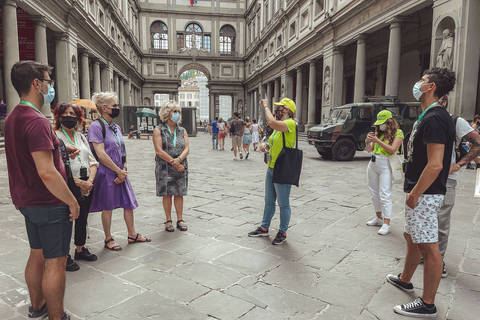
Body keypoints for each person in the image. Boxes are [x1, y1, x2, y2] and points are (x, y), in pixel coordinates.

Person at [5, 60, 80, 320]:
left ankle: (37, 306)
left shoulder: (13, 116)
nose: (51, 88)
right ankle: (57, 317)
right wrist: (71, 200)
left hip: (26, 200)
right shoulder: (37, 120)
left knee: (37, 254)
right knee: (57, 261)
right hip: (49, 203)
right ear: (36, 84)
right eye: (48, 82)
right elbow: (46, 172)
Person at [385, 67, 456, 318]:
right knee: (411, 235)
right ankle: (405, 279)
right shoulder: (428, 115)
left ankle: (427, 303)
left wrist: (415, 193)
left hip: (425, 193)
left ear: (431, 87)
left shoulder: (435, 117)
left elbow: (435, 163)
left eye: (423, 81)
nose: (418, 83)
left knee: (428, 246)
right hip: (421, 191)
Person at [88, 92, 150, 251]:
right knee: (107, 206)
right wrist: (117, 171)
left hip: (121, 172)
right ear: (104, 108)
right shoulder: (96, 126)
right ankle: (108, 238)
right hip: (106, 172)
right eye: (114, 105)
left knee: (128, 203)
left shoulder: (116, 127)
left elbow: (122, 150)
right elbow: (101, 154)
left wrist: (124, 169)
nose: (117, 108)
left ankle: (132, 234)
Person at [433, 95, 480, 277]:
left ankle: (439, 261)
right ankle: (427, 254)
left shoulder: (455, 121)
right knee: (425, 220)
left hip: (446, 180)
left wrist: (459, 164)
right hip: (425, 178)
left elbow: (478, 142)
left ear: (443, 100)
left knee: (441, 223)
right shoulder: (423, 119)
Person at [54, 103, 99, 271]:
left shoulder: (81, 137)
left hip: (87, 181)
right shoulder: (55, 136)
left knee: (83, 217)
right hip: (67, 182)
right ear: (58, 117)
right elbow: (56, 167)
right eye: (65, 113)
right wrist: (78, 183)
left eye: (72, 113)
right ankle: (63, 255)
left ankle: (80, 248)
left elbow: (92, 161)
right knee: (67, 219)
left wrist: (89, 182)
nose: (69, 116)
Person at [248, 97, 297, 245]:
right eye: (275, 108)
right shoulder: (278, 128)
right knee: (269, 201)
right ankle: (264, 228)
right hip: (271, 167)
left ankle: (282, 232)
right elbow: (273, 143)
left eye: (279, 107)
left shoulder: (290, 124)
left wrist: (266, 107)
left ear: (286, 110)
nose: (277, 110)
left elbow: (271, 122)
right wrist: (265, 146)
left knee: (283, 203)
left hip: (283, 168)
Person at [365, 110, 404, 235]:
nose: (380, 126)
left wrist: (377, 141)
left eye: (383, 123)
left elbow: (392, 150)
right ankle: (378, 217)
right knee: (374, 193)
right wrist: (368, 141)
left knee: (384, 194)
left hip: (386, 164)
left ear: (389, 122)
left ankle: (386, 223)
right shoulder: (379, 133)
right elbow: (369, 150)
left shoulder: (398, 133)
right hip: (373, 163)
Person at [153, 102, 189, 232]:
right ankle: (168, 219)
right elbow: (158, 150)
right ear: (167, 113)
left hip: (181, 165)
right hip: (164, 167)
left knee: (179, 193)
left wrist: (179, 160)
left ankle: (180, 219)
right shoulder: (158, 130)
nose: (177, 114)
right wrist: (174, 162)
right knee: (167, 194)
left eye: (178, 112)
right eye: (175, 111)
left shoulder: (182, 130)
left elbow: (187, 148)